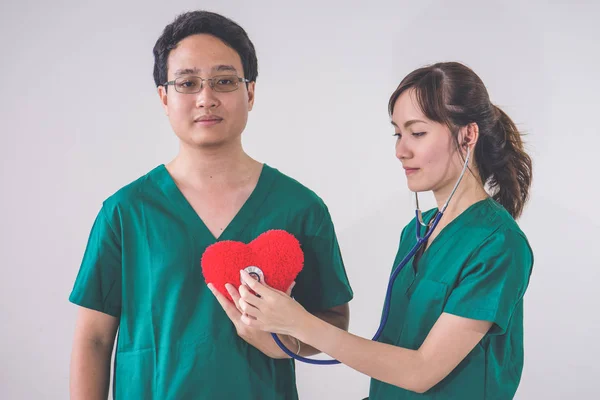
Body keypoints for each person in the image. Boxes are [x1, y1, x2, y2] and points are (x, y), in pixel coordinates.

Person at [68, 10, 353, 400]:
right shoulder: (126, 212)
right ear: (164, 98)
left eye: (224, 81)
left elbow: (334, 321)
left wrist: (282, 344)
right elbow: (94, 341)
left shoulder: (300, 208)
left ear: (250, 93)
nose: (206, 98)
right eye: (187, 83)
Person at [232, 61, 534, 399]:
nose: (400, 151)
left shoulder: (499, 245)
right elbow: (393, 357)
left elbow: (421, 371)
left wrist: (300, 322)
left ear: (468, 135)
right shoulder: (416, 232)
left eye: (417, 133)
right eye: (398, 133)